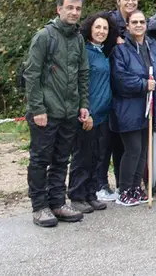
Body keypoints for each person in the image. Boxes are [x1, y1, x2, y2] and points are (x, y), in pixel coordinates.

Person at [24, 0, 90, 227]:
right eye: (70, 7)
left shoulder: (78, 39)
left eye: (78, 9)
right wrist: (37, 108)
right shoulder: (44, 37)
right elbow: (31, 75)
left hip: (69, 111)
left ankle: (57, 203)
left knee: (62, 159)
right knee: (41, 159)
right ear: (59, 9)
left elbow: (83, 74)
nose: (74, 12)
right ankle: (40, 206)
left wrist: (83, 105)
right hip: (46, 112)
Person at [110, 10, 156, 206]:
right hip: (128, 107)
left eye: (142, 21)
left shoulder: (153, 46)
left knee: (143, 150)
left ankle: (136, 187)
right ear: (127, 26)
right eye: (134, 22)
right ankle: (124, 189)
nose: (139, 25)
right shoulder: (121, 49)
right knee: (132, 149)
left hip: (148, 106)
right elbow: (120, 78)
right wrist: (143, 85)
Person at [67, 12, 118, 214]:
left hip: (103, 114)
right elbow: (79, 84)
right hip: (88, 113)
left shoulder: (103, 53)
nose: (101, 31)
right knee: (82, 156)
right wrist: (84, 111)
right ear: (90, 29)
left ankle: (90, 193)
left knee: (97, 156)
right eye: (98, 27)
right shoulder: (85, 52)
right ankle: (77, 195)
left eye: (105, 28)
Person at [100, 0, 138, 200]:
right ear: (118, 0)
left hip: (127, 91)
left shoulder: (138, 22)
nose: (130, 2)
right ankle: (101, 183)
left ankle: (121, 183)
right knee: (106, 141)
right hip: (108, 88)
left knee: (123, 141)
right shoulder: (109, 23)